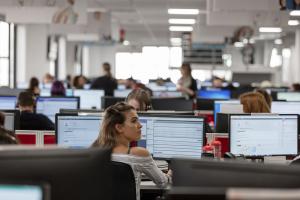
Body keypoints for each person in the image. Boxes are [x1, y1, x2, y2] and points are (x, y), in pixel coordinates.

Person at [92, 102, 171, 200]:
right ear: (119, 127)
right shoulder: (138, 154)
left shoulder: (94, 152)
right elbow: (162, 182)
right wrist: (170, 174)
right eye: (134, 121)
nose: (140, 125)